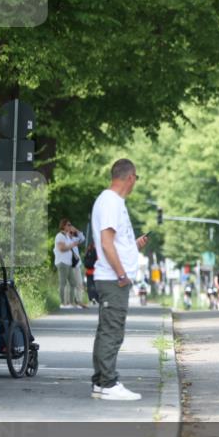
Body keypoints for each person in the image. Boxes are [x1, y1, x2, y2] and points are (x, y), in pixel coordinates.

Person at [90, 159, 148, 401]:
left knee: (107, 329)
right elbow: (106, 242)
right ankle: (108, 383)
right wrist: (122, 275)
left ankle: (101, 383)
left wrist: (133, 247)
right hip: (113, 279)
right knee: (112, 331)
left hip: (112, 276)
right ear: (131, 177)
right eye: (135, 179)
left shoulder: (111, 202)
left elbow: (115, 242)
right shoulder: (111, 202)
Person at [54, 219, 86, 308]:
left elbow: (82, 239)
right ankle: (62, 303)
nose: (70, 226)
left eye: (70, 225)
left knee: (73, 283)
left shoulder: (67, 237)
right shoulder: (60, 236)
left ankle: (70, 303)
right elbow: (61, 248)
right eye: (68, 225)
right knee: (63, 283)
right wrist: (72, 245)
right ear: (63, 226)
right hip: (62, 262)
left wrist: (75, 231)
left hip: (69, 263)